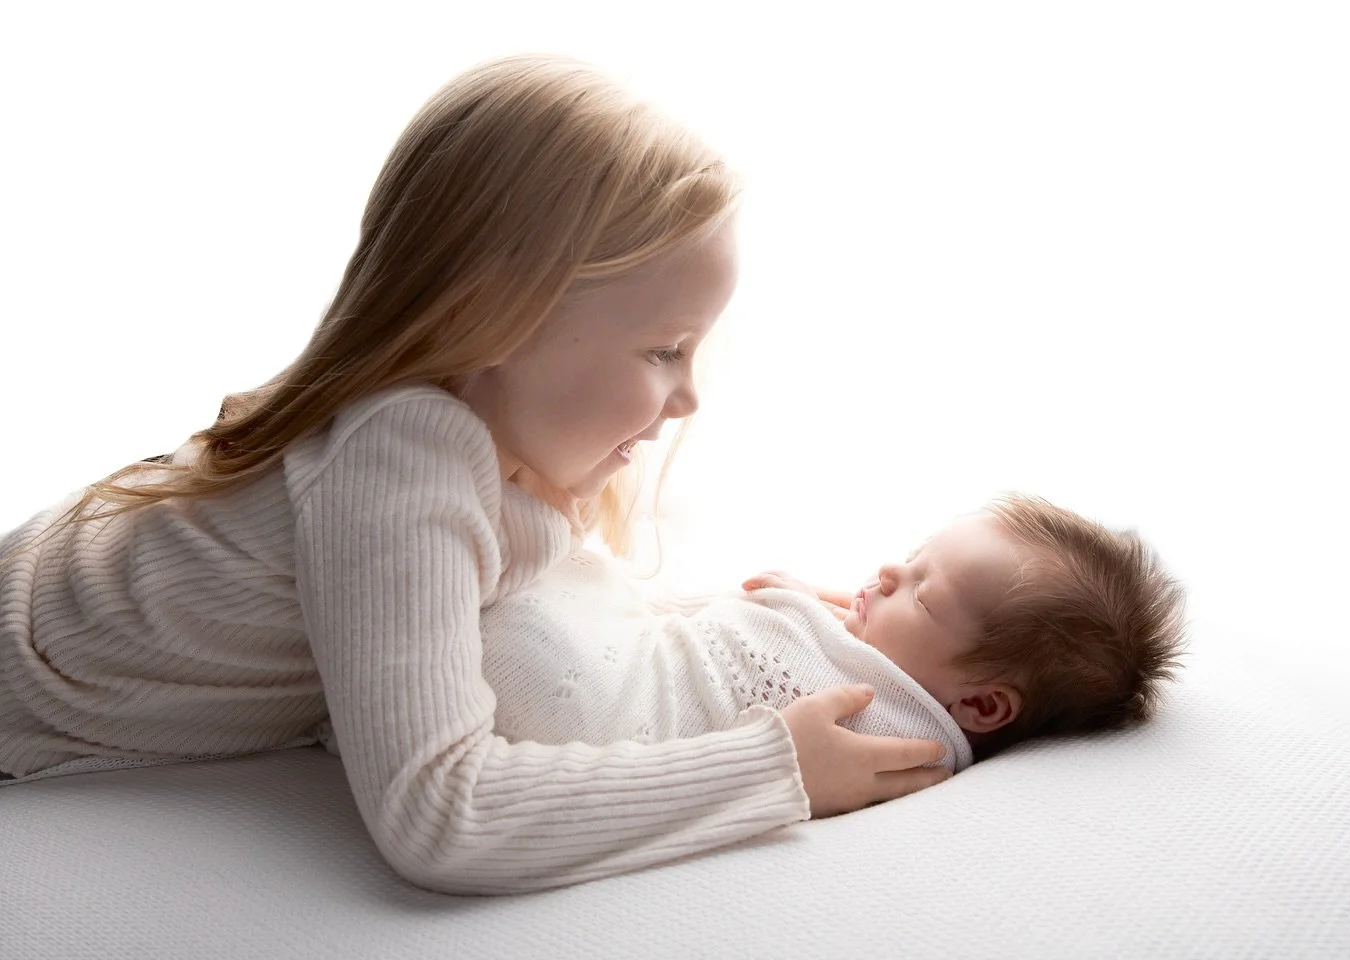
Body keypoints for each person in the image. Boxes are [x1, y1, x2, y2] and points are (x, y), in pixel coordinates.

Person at [0, 54, 951, 894]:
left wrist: (756, 617)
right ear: (492, 318)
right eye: (665, 349)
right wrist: (770, 768)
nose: (687, 398)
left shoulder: (491, 437)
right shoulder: (405, 456)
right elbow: (442, 814)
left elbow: (535, 612)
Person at [444, 493, 1185, 782]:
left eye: (924, 595)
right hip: (618, 660)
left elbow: (754, 718)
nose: (891, 570)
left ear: (984, 707)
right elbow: (723, 641)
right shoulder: (880, 660)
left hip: (588, 700)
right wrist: (793, 608)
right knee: (561, 569)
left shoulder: (902, 744)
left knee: (534, 565)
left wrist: (789, 614)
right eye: (913, 553)